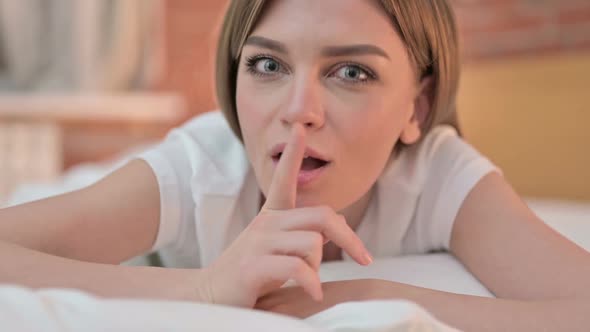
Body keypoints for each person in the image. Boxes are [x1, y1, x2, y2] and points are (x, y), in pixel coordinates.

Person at [1, 0, 589, 330]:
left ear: (418, 107)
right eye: (266, 66)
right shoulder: (199, 171)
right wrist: (206, 289)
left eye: (351, 73)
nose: (298, 112)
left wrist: (367, 294)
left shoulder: (436, 177)